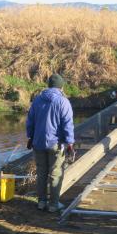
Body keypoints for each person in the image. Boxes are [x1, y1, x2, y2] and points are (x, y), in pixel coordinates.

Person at [26, 73, 75, 213]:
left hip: (38, 142)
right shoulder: (63, 102)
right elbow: (68, 125)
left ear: (48, 85)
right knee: (55, 173)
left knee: (41, 172)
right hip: (55, 143)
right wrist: (70, 143)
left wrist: (30, 137)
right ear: (61, 86)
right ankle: (53, 204)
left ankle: (41, 202)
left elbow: (30, 121)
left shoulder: (37, 100)